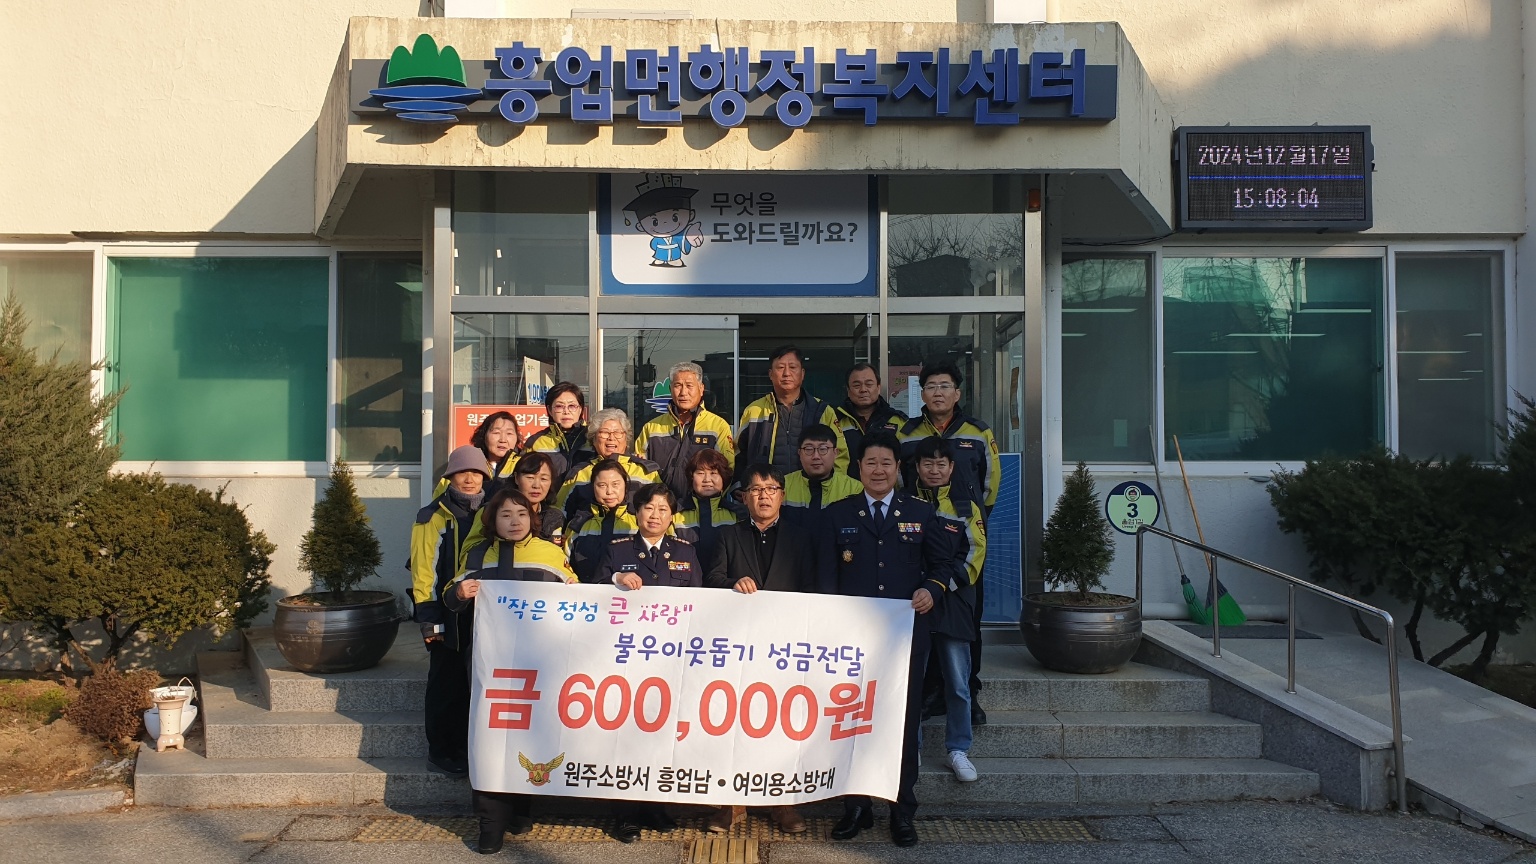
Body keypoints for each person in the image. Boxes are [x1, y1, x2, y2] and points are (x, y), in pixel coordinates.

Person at [815, 431, 960, 848]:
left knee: (902, 723)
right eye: (870, 463)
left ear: (898, 468)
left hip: (904, 640)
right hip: (851, 644)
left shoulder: (921, 512)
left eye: (886, 463)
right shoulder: (837, 514)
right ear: (858, 467)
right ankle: (855, 807)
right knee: (851, 722)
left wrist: (931, 589)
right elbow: (826, 579)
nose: (878, 470)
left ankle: (901, 809)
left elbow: (944, 563)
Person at [444, 488, 578, 855]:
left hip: (539, 667)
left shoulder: (551, 553)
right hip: (491, 669)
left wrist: (576, 591)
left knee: (530, 737)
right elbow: (449, 595)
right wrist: (460, 592)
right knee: (489, 739)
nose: (514, 521)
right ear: (492, 520)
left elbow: (578, 600)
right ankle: (490, 822)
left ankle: (521, 809)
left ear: (532, 519)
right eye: (505, 515)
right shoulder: (476, 554)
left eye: (521, 514)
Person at [703, 462, 814, 835]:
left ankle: (783, 803)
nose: (764, 496)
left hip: (788, 647)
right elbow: (712, 579)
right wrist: (732, 583)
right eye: (755, 490)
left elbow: (815, 589)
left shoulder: (802, 537)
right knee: (735, 722)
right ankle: (731, 803)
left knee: (784, 724)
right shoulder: (727, 536)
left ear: (782, 495)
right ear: (744, 497)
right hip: (740, 648)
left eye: (771, 489)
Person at [897, 361, 1000, 725]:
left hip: (963, 539)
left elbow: (990, 486)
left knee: (966, 621)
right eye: (931, 386)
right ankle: (930, 692)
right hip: (918, 539)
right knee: (924, 620)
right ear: (921, 393)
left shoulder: (978, 431)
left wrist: (970, 516)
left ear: (957, 393)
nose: (937, 392)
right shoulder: (906, 432)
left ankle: (969, 692)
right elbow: (898, 480)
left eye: (944, 386)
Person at [596, 482, 697, 843]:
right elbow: (592, 589)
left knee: (662, 735)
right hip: (626, 660)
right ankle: (625, 815)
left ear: (672, 517)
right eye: (649, 508)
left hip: (669, 660)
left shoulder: (686, 551)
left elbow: (699, 602)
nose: (655, 515)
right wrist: (616, 578)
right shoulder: (617, 550)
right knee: (625, 735)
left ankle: (656, 806)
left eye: (663, 509)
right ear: (637, 512)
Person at [408, 445, 488, 777]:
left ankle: (468, 749)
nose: (469, 479)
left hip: (482, 613)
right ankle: (441, 751)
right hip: (446, 613)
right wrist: (429, 618)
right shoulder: (433, 516)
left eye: (476, 473)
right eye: (462, 473)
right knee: (446, 683)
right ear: (450, 477)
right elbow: (423, 570)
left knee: (473, 683)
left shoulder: (492, 510)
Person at [911, 436, 985, 784]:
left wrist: (939, 588)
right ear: (917, 467)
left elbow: (974, 556)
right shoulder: (905, 502)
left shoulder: (966, 506)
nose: (934, 470)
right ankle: (911, 746)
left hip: (952, 603)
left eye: (941, 464)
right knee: (911, 681)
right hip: (913, 605)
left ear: (952, 468)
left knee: (957, 683)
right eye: (928, 463)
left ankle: (959, 749)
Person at [735, 345, 847, 486]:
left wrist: (831, 489)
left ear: (802, 373)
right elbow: (738, 455)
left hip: (812, 492)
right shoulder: (754, 410)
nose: (787, 373)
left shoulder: (822, 410)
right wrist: (738, 486)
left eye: (793, 367)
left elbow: (840, 455)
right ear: (770, 374)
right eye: (780, 367)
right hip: (766, 492)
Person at [635, 361, 736, 500]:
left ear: (701, 388)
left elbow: (727, 470)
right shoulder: (651, 428)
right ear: (670, 389)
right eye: (678, 385)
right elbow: (638, 469)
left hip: (702, 507)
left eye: (689, 386)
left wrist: (709, 503)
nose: (683, 392)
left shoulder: (717, 426)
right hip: (660, 507)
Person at [555, 407, 661, 518]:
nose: (611, 438)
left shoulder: (645, 471)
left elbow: (663, 510)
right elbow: (559, 511)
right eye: (604, 432)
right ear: (593, 439)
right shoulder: (579, 473)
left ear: (626, 438)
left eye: (617, 432)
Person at [564, 458, 639, 585]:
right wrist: (572, 580)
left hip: (632, 594)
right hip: (588, 595)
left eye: (615, 484)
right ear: (593, 487)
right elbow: (565, 561)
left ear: (625, 486)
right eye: (602, 485)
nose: (609, 491)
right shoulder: (579, 524)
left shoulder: (638, 521)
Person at [781, 423, 863, 528]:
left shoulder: (855, 489)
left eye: (823, 449)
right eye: (809, 449)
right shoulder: (783, 486)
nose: (816, 456)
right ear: (799, 453)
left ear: (835, 453)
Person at [671, 448, 740, 571]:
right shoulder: (675, 513)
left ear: (723, 478)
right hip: (683, 580)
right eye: (700, 473)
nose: (707, 479)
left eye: (714, 473)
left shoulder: (737, 514)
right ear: (691, 477)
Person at [834, 363, 904, 481]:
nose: (863, 390)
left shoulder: (897, 421)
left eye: (869, 384)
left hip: (885, 490)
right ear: (848, 390)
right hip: (846, 491)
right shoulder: (835, 421)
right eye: (857, 385)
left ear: (878, 387)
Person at [522, 382, 595, 488]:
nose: (566, 411)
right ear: (550, 410)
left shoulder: (593, 438)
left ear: (580, 409)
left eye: (572, 406)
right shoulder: (535, 442)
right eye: (559, 406)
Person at [472, 410, 524, 493]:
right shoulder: (471, 464)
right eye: (496, 433)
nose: (503, 440)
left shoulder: (524, 465)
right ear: (484, 436)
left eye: (509, 433)